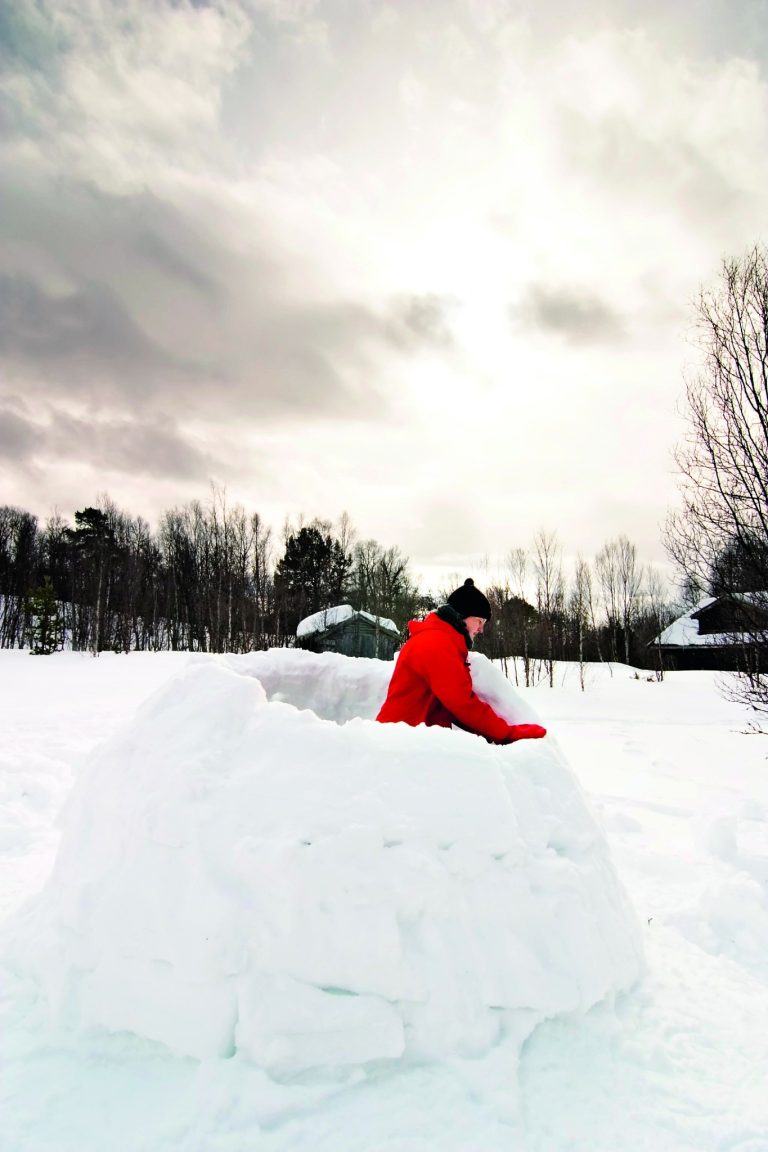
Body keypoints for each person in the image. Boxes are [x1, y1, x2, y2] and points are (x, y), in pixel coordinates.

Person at [376, 578, 547, 744]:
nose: (481, 629)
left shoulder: (440, 640)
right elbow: (462, 703)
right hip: (398, 744)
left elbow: (453, 706)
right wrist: (507, 733)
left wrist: (490, 734)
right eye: (479, 621)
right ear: (462, 616)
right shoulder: (436, 644)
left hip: (407, 740)